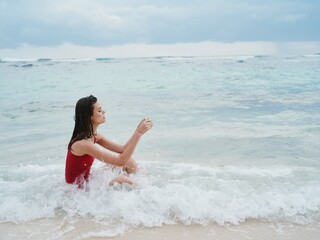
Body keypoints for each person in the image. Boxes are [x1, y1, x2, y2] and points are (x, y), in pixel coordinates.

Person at [65, 95, 153, 188]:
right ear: (89, 117)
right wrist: (138, 134)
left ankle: (148, 184)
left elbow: (122, 149)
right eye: (99, 110)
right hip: (78, 191)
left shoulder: (94, 137)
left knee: (129, 161)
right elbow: (120, 161)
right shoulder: (83, 144)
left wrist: (137, 130)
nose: (104, 112)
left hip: (88, 180)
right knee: (122, 179)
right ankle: (148, 191)